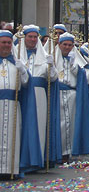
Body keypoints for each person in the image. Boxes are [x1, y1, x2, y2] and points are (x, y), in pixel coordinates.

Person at [15, 25, 62, 168]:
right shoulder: (18, 55)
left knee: (40, 126)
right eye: (30, 37)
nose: (33, 39)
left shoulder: (43, 56)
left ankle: (37, 159)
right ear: (25, 38)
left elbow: (52, 78)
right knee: (22, 126)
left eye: (35, 37)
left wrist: (51, 66)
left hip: (39, 96)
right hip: (24, 95)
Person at [0, 30, 40, 177]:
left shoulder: (16, 63)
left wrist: (23, 71)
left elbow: (25, 84)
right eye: (3, 42)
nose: (6, 45)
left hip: (12, 106)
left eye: (8, 43)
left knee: (12, 137)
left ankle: (10, 170)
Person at [54, 33, 89, 159]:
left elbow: (82, 76)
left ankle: (69, 151)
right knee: (60, 124)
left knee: (71, 124)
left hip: (72, 95)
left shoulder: (75, 60)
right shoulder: (53, 58)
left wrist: (74, 66)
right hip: (58, 94)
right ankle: (58, 151)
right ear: (59, 45)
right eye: (65, 45)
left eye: (70, 45)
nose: (67, 47)